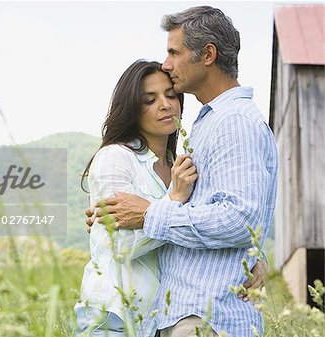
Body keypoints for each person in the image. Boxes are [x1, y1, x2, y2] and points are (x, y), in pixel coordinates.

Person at [86, 6, 277, 337]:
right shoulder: (210, 124)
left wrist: (151, 214)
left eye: (174, 52)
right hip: (163, 316)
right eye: (149, 99)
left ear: (207, 55)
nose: (167, 63)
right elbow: (221, 216)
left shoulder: (234, 123)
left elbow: (240, 220)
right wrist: (247, 258)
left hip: (206, 316)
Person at [73, 59, 198, 337]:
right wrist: (173, 201)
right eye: (149, 100)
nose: (165, 105)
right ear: (132, 108)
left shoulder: (181, 165)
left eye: (170, 95)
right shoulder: (114, 158)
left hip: (161, 319)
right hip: (113, 317)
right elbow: (119, 244)